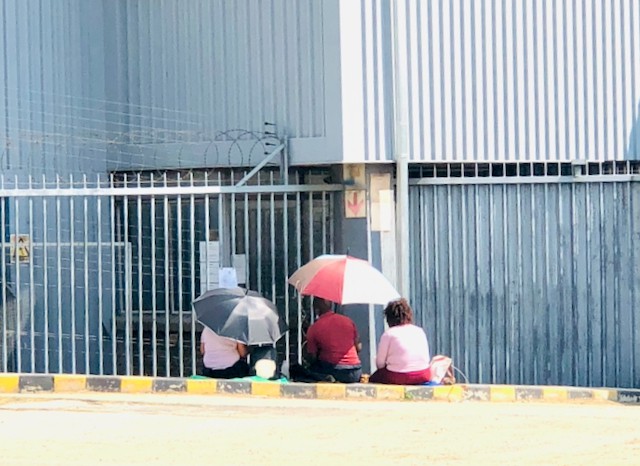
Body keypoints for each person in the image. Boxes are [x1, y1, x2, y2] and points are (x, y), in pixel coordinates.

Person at [369, 298, 431, 385]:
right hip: (424, 374)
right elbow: (426, 359)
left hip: (398, 376)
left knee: (374, 378)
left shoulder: (389, 334)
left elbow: (380, 364)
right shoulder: (419, 331)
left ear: (389, 318)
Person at [304, 297, 362, 383]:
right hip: (355, 372)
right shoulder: (348, 321)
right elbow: (359, 348)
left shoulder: (314, 328)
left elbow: (312, 357)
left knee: (309, 370)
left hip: (333, 371)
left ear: (316, 309)